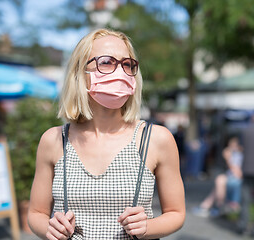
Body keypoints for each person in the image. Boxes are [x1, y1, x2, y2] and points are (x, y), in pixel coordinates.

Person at [27, 28, 185, 240]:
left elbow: (176, 213)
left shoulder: (156, 139)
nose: (120, 71)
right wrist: (49, 228)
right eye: (106, 62)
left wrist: (148, 227)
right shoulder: (53, 140)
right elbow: (36, 214)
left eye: (127, 64)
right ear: (80, 72)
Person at [192, 136, 243, 217]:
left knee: (219, 181)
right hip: (231, 178)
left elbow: (237, 173)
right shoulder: (235, 155)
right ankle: (209, 206)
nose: (230, 147)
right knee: (219, 182)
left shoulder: (239, 156)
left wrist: (228, 159)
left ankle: (215, 206)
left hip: (237, 179)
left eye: (233, 145)